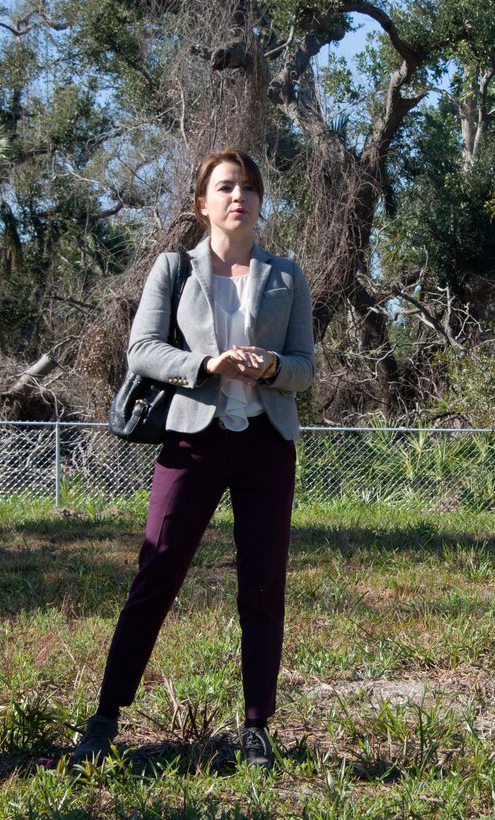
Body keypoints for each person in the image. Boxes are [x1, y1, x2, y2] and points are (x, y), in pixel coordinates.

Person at [72, 147, 315, 768]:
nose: (239, 197)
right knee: (156, 575)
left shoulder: (288, 277)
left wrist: (272, 368)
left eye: (249, 189)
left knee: (262, 586)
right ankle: (104, 720)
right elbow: (143, 351)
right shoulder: (174, 268)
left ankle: (257, 728)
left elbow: (306, 369)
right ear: (202, 203)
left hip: (266, 444)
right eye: (226, 187)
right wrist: (206, 364)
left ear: (261, 203)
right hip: (193, 438)